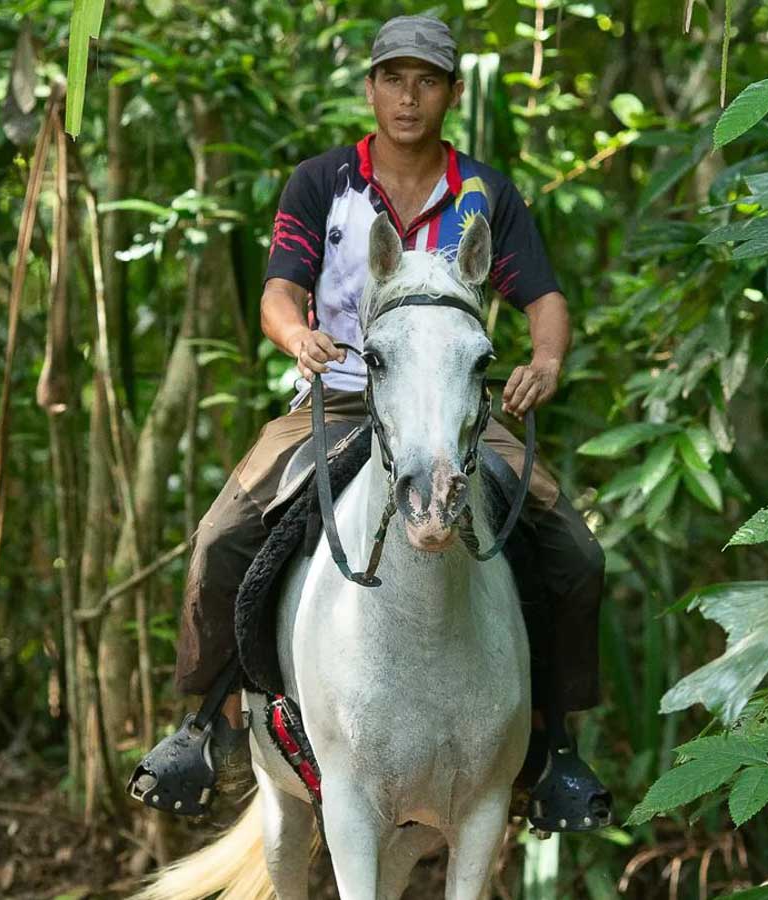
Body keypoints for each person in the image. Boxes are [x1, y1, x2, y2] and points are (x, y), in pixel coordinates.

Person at [130, 14, 611, 832]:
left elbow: (545, 298)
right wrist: (298, 335)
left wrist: (547, 362)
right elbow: (280, 291)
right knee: (222, 537)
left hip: (453, 410)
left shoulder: (485, 193)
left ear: (451, 94)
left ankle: (552, 747)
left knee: (575, 549)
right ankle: (206, 726)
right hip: (344, 395)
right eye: (394, 78)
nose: (409, 97)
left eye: (427, 81)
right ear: (372, 89)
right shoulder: (321, 182)